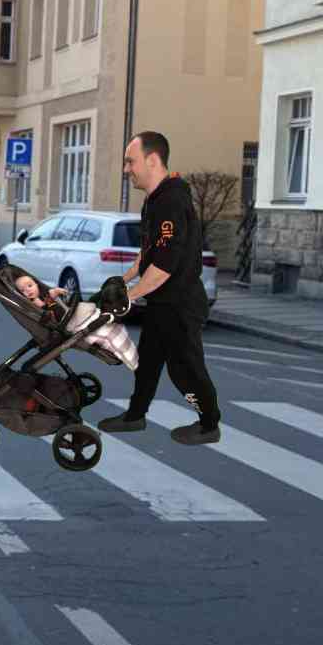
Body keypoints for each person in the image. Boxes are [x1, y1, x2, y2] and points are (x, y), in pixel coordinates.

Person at [97, 131, 220, 444]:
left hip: (180, 305)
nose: (126, 169)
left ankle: (208, 424)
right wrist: (122, 280)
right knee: (147, 363)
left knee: (186, 372)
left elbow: (165, 265)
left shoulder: (172, 201)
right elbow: (149, 253)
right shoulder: (154, 200)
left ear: (152, 160)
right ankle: (135, 416)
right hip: (161, 303)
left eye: (130, 162)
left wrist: (129, 296)